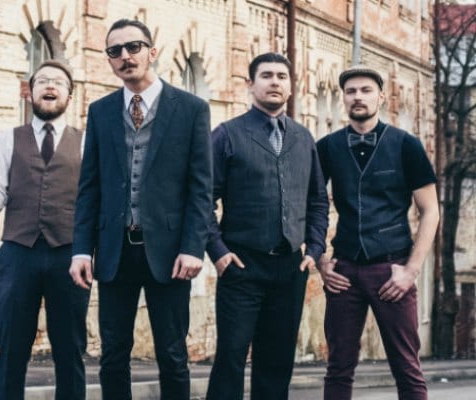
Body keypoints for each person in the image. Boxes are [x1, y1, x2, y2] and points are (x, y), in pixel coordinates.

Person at [69, 18, 212, 400]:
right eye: (115, 51)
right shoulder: (100, 111)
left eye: (133, 47)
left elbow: (201, 188)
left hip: (170, 251)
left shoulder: (191, 109)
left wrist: (193, 247)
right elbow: (89, 188)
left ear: (152, 51)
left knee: (172, 354)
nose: (125, 56)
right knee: (113, 355)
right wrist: (81, 249)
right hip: (115, 250)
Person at [0, 60, 90, 400]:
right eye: (42, 81)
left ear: (70, 96)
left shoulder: (86, 142)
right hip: (17, 254)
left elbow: (93, 202)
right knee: (11, 348)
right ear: (30, 91)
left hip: (69, 254)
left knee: (69, 349)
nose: (50, 86)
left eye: (58, 82)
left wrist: (90, 250)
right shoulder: (9, 139)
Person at [205, 52, 329, 400]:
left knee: (276, 363)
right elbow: (202, 199)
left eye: (281, 76)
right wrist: (218, 251)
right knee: (230, 358)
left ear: (290, 86)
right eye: (266, 75)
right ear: (250, 84)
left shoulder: (303, 138)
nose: (275, 82)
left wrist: (314, 249)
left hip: (290, 268)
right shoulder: (227, 135)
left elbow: (318, 200)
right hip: (241, 265)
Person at [316, 65, 439, 400]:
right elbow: (309, 206)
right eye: (351, 91)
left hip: (391, 268)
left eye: (366, 90)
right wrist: (321, 260)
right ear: (343, 98)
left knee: (407, 368)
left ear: (381, 97)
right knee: (338, 369)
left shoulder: (406, 145)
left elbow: (430, 211)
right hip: (344, 271)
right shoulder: (327, 147)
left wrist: (411, 270)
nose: (358, 96)